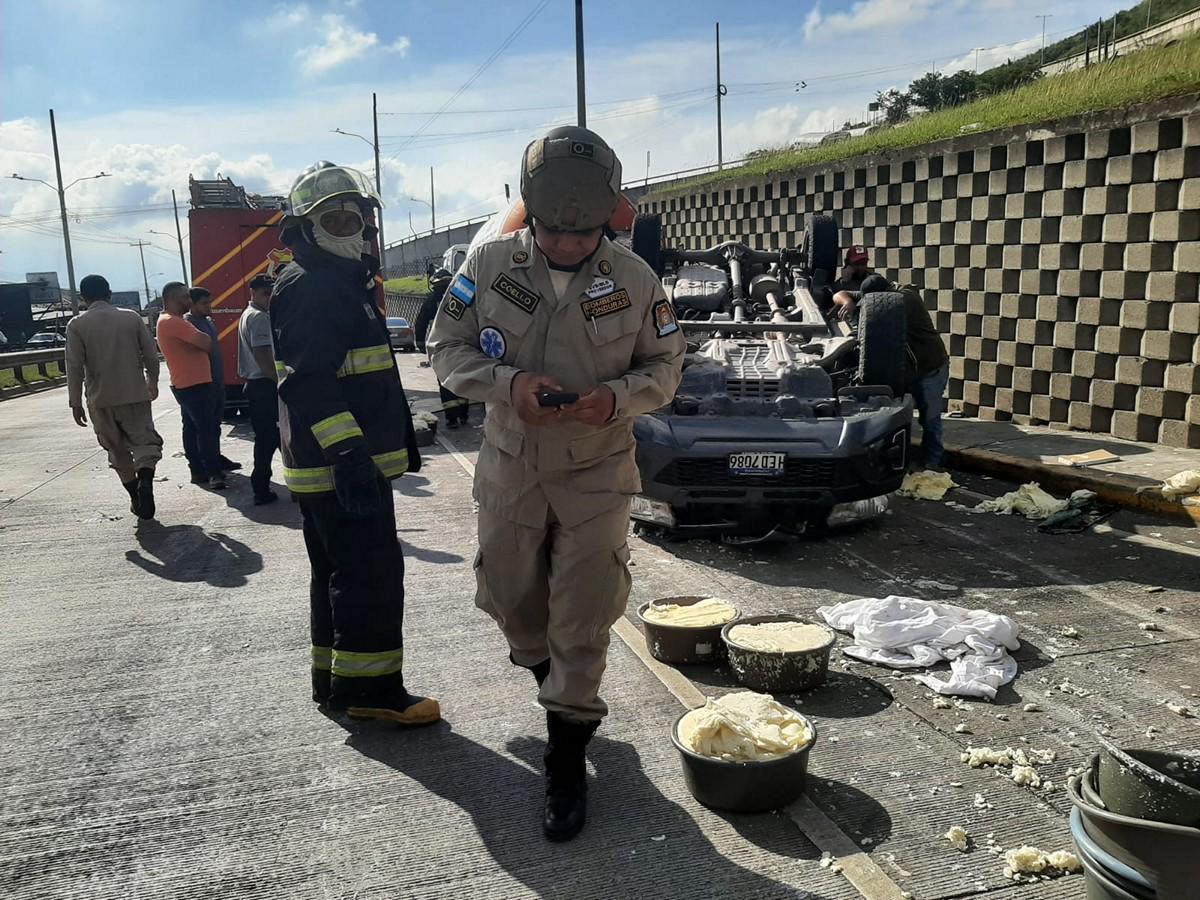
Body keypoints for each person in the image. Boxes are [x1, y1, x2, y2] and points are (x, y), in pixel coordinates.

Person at [429, 126, 686, 842]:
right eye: (553, 233)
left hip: (597, 471)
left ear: (608, 216)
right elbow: (443, 349)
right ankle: (549, 673)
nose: (569, 244)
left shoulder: (635, 281)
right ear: (529, 214)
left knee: (584, 610)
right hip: (511, 464)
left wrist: (618, 397)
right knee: (510, 599)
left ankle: (567, 751)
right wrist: (507, 383)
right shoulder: (486, 264)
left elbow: (666, 368)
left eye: (584, 234)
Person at [271, 160, 437, 726]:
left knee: (339, 575)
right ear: (306, 227)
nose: (356, 230)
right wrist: (348, 453)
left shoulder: (337, 280)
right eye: (338, 221)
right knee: (370, 577)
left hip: (338, 466)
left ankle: (334, 679)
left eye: (359, 218)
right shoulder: (316, 287)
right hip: (343, 467)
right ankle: (372, 693)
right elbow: (310, 382)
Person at [65, 274, 164, 519]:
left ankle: (134, 497)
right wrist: (152, 381)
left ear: (82, 298)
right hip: (134, 394)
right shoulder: (131, 318)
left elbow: (74, 366)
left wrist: (75, 402)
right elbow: (151, 355)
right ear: (110, 293)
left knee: (116, 450)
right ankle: (146, 479)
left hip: (100, 399)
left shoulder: (76, 325)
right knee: (144, 443)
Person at [833, 273, 950, 469]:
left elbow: (880, 318)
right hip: (910, 369)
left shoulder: (906, 299)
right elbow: (839, 293)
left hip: (930, 367)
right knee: (901, 415)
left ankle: (933, 462)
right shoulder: (880, 294)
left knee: (930, 418)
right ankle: (909, 460)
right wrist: (847, 302)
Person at [157, 282, 225, 489]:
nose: (189, 300)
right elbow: (206, 342)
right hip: (193, 384)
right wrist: (200, 339)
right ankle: (213, 472)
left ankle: (197, 470)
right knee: (206, 430)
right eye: (185, 297)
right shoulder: (173, 322)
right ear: (171, 299)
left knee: (192, 428)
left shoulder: (171, 321)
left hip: (187, 382)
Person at [186, 287, 240, 474]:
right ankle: (204, 467)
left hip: (216, 381)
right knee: (201, 428)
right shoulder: (188, 324)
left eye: (209, 302)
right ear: (191, 304)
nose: (209, 306)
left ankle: (215, 456)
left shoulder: (207, 321)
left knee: (214, 425)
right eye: (204, 303)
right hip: (201, 383)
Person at [237, 273, 280, 505]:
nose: (269, 297)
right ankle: (261, 487)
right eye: (265, 292)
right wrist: (279, 381)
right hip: (265, 385)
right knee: (269, 438)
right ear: (253, 292)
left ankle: (264, 485)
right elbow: (262, 354)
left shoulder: (250, 314)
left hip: (258, 385)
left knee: (273, 437)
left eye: (271, 292)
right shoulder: (259, 318)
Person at [416, 268, 469, 428]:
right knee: (462, 379)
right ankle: (462, 414)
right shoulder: (461, 297)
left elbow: (421, 322)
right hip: (462, 346)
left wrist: (419, 342)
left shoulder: (431, 301)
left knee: (445, 382)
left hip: (440, 348)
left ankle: (451, 418)